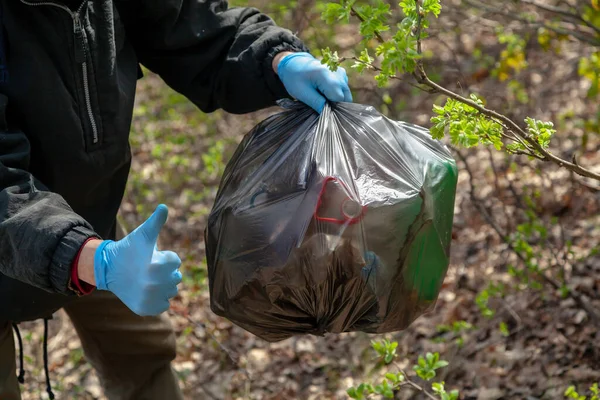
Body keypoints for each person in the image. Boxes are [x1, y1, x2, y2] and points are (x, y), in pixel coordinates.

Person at [0, 0, 352, 397]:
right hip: (42, 230)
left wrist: (276, 59)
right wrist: (90, 261)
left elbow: (192, 27)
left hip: (87, 220)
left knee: (140, 350)